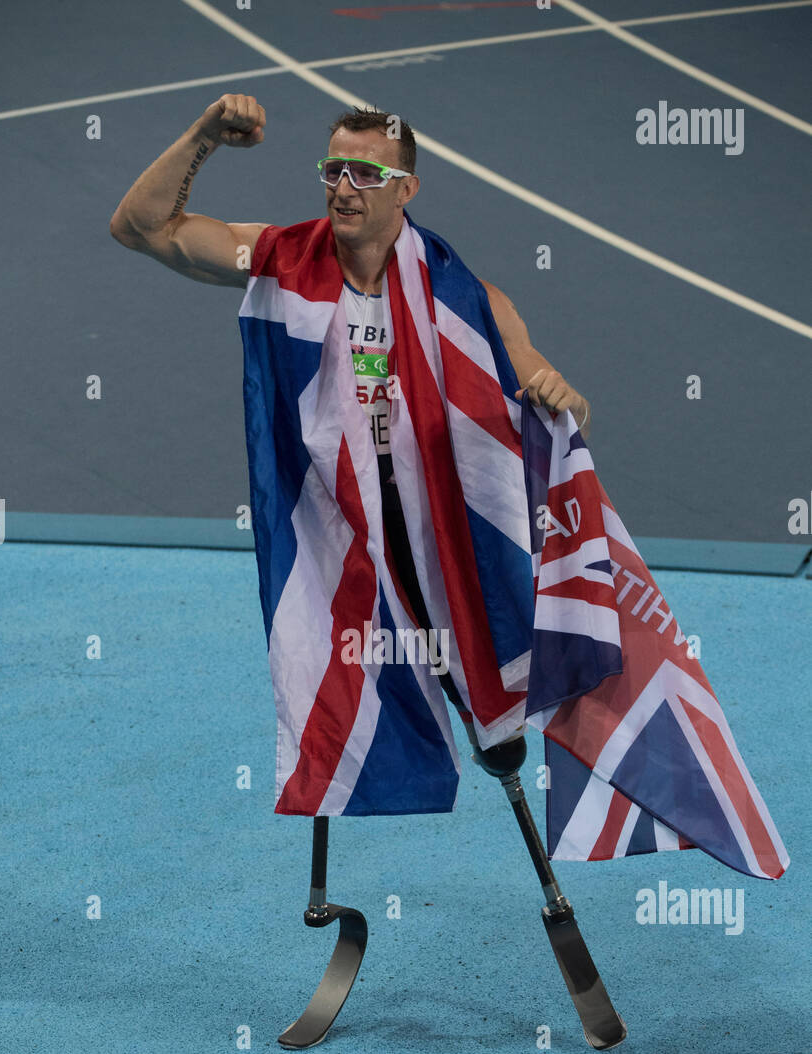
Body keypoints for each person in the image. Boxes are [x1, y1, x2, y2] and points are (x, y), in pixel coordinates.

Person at [110, 94, 590, 717]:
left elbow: (561, 411)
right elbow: (141, 228)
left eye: (367, 174)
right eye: (333, 170)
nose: (344, 187)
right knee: (335, 709)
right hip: (333, 531)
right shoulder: (281, 262)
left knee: (493, 715)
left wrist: (564, 397)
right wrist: (203, 134)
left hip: (435, 537)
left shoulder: (469, 302)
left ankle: (504, 761)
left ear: (406, 189)